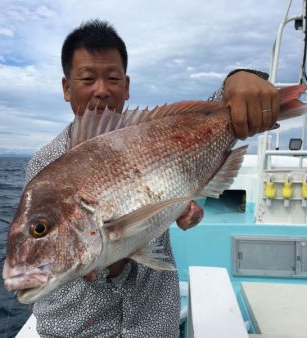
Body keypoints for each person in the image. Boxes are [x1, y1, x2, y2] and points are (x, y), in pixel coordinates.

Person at [25, 19, 279, 338]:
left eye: (113, 78)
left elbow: (214, 115)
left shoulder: (152, 135)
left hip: (152, 325)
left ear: (127, 85)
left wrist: (238, 80)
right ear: (66, 88)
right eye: (88, 78)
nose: (102, 90)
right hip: (76, 329)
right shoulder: (47, 164)